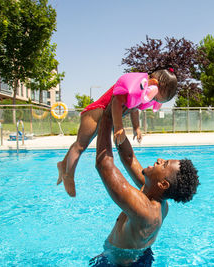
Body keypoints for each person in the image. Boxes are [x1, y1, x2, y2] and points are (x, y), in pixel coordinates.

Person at [91, 107, 199, 266]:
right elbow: (129, 157)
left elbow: (104, 165)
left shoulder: (145, 211)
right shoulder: (158, 198)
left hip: (120, 263)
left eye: (164, 164)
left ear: (163, 184)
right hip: (138, 255)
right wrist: (117, 121)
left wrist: (106, 117)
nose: (160, 159)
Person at [57, 69, 177, 197]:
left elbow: (134, 108)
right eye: (156, 98)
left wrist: (136, 127)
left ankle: (63, 164)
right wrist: (119, 126)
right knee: (80, 145)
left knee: (82, 145)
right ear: (152, 84)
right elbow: (116, 102)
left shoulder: (141, 93)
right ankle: (68, 175)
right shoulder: (136, 85)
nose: (153, 101)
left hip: (106, 116)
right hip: (96, 112)